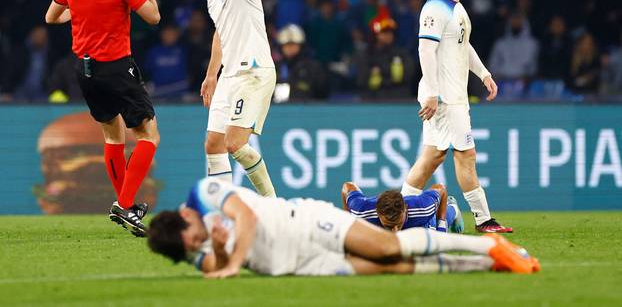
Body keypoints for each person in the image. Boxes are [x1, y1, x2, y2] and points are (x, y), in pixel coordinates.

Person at [147, 178, 540, 278]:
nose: (197, 246)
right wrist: (218, 254)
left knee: (387, 248)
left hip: (304, 224)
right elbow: (211, 266)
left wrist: (231, 262)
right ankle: (492, 264)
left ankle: (485, 246)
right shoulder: (187, 248)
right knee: (391, 268)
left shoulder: (204, 192)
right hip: (295, 265)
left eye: (195, 239)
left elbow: (246, 217)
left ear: (185, 218)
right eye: (192, 249)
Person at [45, 0, 161, 237]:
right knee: (149, 135)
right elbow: (153, 16)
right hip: (117, 69)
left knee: (113, 138)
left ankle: (128, 205)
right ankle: (125, 205)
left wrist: (80, 13)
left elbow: (51, 17)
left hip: (85, 73)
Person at [407, 0, 512, 233]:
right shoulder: (434, 8)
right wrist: (432, 92)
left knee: (431, 157)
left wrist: (483, 73)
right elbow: (425, 50)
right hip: (444, 97)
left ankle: (399, 211)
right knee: (465, 154)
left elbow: (463, 46)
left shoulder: (457, 8)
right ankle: (484, 219)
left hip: (451, 95)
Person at [196, 0, 276, 196]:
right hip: (229, 76)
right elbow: (221, 32)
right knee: (213, 144)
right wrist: (211, 75)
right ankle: (222, 212)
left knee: (234, 144)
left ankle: (272, 205)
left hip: (252, 72)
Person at [341, 181, 463, 233]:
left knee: (436, 231)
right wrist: (347, 220)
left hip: (419, 219)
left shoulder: (423, 207)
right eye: (389, 225)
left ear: (405, 210)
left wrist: (441, 225)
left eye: (398, 224)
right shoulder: (361, 210)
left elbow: (441, 188)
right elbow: (347, 187)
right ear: (377, 213)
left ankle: (454, 208)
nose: (395, 231)